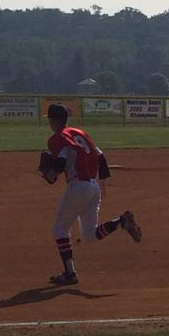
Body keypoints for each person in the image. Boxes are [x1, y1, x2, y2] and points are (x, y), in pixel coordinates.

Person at [42, 103, 142, 285]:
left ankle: (70, 273)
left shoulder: (60, 138)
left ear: (55, 120)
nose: (49, 123)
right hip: (93, 187)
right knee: (90, 235)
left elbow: (60, 163)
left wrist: (50, 175)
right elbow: (101, 157)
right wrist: (102, 182)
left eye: (50, 120)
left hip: (77, 187)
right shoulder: (80, 134)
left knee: (60, 230)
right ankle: (121, 221)